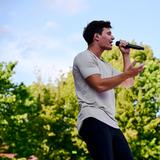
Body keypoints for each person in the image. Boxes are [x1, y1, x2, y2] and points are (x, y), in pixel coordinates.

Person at [72, 20, 144, 160]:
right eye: (109, 33)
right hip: (93, 117)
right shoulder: (84, 57)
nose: (113, 38)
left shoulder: (106, 65)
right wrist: (126, 74)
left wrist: (126, 55)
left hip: (111, 123)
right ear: (96, 36)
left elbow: (128, 82)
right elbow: (99, 85)